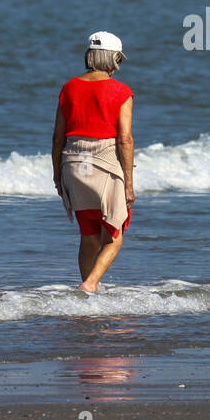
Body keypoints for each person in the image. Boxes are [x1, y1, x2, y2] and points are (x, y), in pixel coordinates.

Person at [52, 31, 135, 292]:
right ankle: (89, 285)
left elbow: (57, 138)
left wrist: (57, 176)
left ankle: (90, 295)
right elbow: (125, 140)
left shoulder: (69, 88)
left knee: (89, 235)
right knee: (114, 236)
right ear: (113, 58)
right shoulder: (121, 91)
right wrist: (129, 184)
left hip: (74, 164)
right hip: (104, 164)